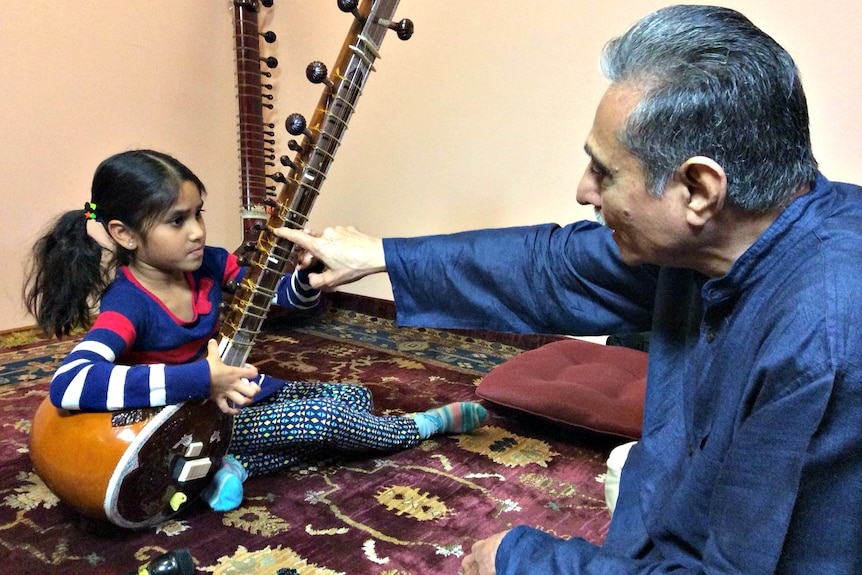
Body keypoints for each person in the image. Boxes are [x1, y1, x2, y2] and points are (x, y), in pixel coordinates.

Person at [275, 5, 862, 574]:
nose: (584, 191)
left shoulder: (825, 343)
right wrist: (380, 254)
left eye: (605, 171)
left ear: (699, 188)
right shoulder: (724, 236)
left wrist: (522, 560)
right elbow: (552, 267)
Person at [24, 149, 488, 513]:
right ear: (125, 235)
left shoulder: (209, 264)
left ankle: (224, 469)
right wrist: (203, 378)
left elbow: (271, 297)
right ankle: (422, 425)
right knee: (327, 421)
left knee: (353, 397)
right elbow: (72, 382)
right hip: (187, 421)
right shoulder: (128, 303)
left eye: (198, 213)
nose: (197, 232)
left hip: (235, 396)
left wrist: (308, 279)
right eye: (176, 221)